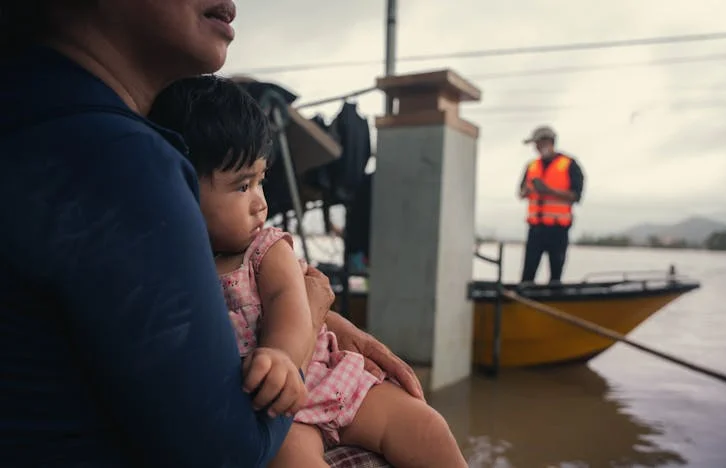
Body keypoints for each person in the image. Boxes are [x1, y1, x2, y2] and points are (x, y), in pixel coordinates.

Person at [0, 2, 422, 466]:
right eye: (241, 184)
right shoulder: (114, 159)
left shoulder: (34, 114)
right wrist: (305, 330)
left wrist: (324, 320)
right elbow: (228, 452)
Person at [148, 75, 467, 468]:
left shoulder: (265, 249)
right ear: (181, 188)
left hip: (325, 376)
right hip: (278, 414)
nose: (259, 204)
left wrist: (283, 355)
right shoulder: (174, 268)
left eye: (260, 180)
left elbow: (291, 303)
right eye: (241, 186)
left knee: (425, 427)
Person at [517, 125, 585, 284]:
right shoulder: (531, 166)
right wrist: (526, 191)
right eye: (535, 145)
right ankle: (523, 302)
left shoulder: (569, 165)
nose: (536, 148)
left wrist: (549, 191)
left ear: (549, 142)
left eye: (539, 144)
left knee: (555, 278)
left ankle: (554, 300)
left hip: (558, 230)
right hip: (535, 229)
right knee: (527, 276)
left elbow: (576, 196)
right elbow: (520, 193)